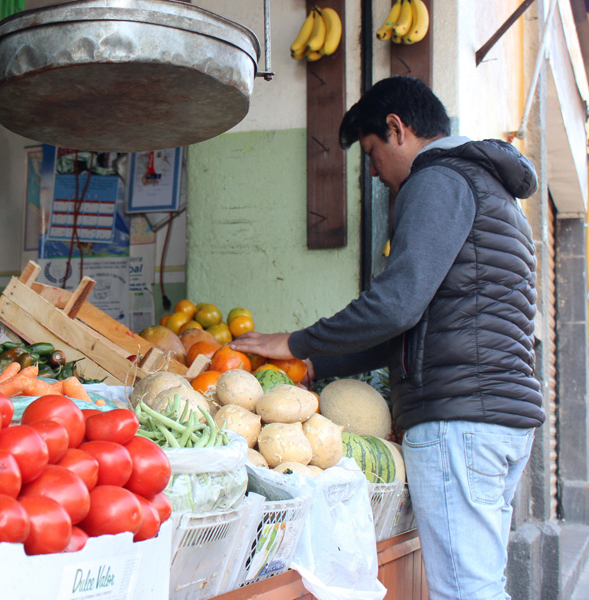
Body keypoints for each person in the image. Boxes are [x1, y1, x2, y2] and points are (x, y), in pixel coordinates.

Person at [230, 76, 545, 600]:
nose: (375, 173)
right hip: (500, 416)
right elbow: (414, 319)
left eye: (373, 154)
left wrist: (298, 342)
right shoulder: (493, 192)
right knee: (482, 584)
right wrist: (318, 360)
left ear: (397, 128)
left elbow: (397, 302)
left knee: (469, 592)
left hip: (459, 418)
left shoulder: (439, 179)